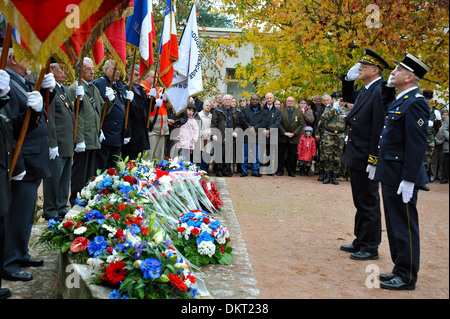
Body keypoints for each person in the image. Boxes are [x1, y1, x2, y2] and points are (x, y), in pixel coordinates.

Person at [372, 53, 431, 290]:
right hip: (391, 172)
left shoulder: (415, 102)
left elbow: (417, 146)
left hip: (401, 175)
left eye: (398, 70)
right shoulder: (401, 99)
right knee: (395, 223)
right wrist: (387, 88)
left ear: (410, 76)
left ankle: (407, 276)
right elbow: (385, 106)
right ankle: (399, 268)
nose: (392, 73)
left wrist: (408, 180)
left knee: (404, 225)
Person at [2, 44, 55, 282]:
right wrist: (19, 164)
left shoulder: (21, 82)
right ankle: (9, 261)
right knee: (17, 213)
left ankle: (21, 252)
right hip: (22, 160)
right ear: (12, 58)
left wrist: (48, 94)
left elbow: (37, 112)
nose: (31, 62)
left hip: (34, 159)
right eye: (26, 58)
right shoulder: (7, 83)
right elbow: (12, 127)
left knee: (26, 212)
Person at [339, 48, 394, 261]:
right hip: (357, 152)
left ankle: (371, 246)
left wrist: (374, 158)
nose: (359, 69)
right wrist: (347, 79)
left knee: (369, 201)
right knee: (360, 200)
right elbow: (347, 96)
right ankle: (361, 240)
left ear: (375, 70)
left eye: (363, 66)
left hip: (366, 156)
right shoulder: (367, 89)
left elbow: (379, 128)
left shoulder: (381, 91)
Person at [43, 58, 81, 221]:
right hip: (56, 143)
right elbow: (49, 118)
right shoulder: (49, 90)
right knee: (53, 179)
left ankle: (60, 207)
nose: (66, 73)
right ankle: (50, 209)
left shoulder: (62, 89)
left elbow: (69, 114)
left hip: (66, 143)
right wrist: (52, 143)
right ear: (52, 69)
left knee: (64, 178)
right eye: (62, 69)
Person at [68, 57, 108, 207]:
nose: (92, 72)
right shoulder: (74, 88)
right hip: (83, 138)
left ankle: (86, 199)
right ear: (79, 71)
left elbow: (102, 111)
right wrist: (79, 139)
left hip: (93, 137)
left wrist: (110, 101)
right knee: (79, 173)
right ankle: (75, 201)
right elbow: (75, 116)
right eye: (88, 69)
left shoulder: (93, 89)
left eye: (93, 69)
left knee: (90, 173)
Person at [93, 60, 134, 171]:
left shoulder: (119, 86)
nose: (117, 72)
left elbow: (125, 110)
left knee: (113, 168)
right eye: (114, 69)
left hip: (118, 133)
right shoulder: (98, 84)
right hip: (106, 131)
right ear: (105, 69)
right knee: (101, 167)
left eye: (119, 69)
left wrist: (130, 100)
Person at [121, 64, 150, 160]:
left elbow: (145, 110)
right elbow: (125, 113)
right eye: (136, 75)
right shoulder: (124, 89)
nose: (139, 78)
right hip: (130, 133)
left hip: (141, 133)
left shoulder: (142, 90)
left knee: (137, 162)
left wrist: (153, 102)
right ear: (129, 75)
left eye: (140, 75)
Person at [319, 95, 347, 185]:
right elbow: (325, 117)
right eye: (336, 99)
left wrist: (346, 134)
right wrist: (333, 109)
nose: (338, 101)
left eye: (340, 99)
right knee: (328, 156)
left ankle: (335, 176)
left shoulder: (343, 110)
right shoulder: (328, 108)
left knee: (338, 157)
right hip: (329, 135)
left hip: (340, 135)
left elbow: (348, 122)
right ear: (332, 100)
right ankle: (327, 176)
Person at [239, 93, 268, 177]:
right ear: (250, 100)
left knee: (256, 155)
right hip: (246, 136)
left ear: (258, 100)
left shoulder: (263, 111)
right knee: (245, 155)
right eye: (253, 99)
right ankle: (244, 171)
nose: (255, 101)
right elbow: (242, 121)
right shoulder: (245, 110)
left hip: (257, 135)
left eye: (256, 99)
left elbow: (264, 122)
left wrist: (254, 128)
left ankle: (255, 171)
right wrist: (250, 128)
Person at [211, 94, 239, 177]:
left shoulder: (235, 111)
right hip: (220, 134)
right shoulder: (217, 110)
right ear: (223, 101)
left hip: (230, 134)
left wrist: (236, 131)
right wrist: (214, 134)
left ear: (231, 101)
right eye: (226, 99)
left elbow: (237, 124)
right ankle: (218, 170)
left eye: (229, 99)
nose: (228, 101)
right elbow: (213, 123)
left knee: (228, 153)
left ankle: (226, 170)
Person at [276, 96, 304, 177]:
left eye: (292, 101)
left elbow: (301, 124)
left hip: (293, 137)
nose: (290, 102)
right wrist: (284, 132)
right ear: (286, 102)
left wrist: (294, 133)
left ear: (294, 102)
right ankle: (280, 170)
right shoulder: (281, 111)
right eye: (288, 101)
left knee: (292, 155)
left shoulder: (299, 112)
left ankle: (291, 171)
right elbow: (278, 123)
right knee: (281, 155)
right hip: (282, 137)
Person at [262, 93, 281, 175]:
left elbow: (277, 122)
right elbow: (259, 120)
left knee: (270, 152)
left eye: (270, 98)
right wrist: (264, 130)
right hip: (262, 133)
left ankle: (269, 170)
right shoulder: (261, 109)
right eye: (267, 98)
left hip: (272, 134)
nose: (269, 100)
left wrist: (269, 130)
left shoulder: (277, 111)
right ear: (265, 99)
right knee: (261, 151)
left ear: (273, 99)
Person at [314, 94, 332, 181]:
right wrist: (317, 133)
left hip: (331, 135)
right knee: (321, 155)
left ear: (331, 101)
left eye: (327, 100)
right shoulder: (320, 108)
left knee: (330, 156)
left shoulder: (334, 108)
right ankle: (321, 173)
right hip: (322, 134)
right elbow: (318, 122)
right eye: (324, 100)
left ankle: (329, 175)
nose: (326, 102)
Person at [431, 109, 448, 183]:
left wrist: (442, 141)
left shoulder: (447, 123)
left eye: (446, 115)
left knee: (442, 161)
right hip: (435, 143)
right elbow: (433, 131)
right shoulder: (437, 122)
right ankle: (432, 175)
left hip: (444, 144)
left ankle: (440, 176)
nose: (445, 116)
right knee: (434, 160)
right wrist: (436, 140)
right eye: (443, 114)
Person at [198, 100, 213, 173]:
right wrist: (202, 133)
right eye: (207, 105)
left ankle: (205, 170)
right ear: (203, 106)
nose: (208, 107)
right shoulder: (198, 115)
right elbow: (196, 126)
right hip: (200, 138)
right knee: (200, 154)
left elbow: (213, 126)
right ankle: (200, 171)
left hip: (208, 138)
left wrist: (208, 133)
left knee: (207, 154)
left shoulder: (212, 116)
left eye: (210, 106)